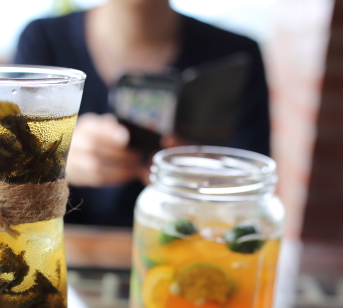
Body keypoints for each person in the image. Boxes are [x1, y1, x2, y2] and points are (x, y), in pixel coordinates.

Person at [14, 0, 270, 227]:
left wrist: (204, 181)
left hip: (187, 247)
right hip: (67, 248)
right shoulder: (43, 40)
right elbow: (9, 181)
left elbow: (255, 194)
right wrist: (56, 160)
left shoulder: (237, 56)